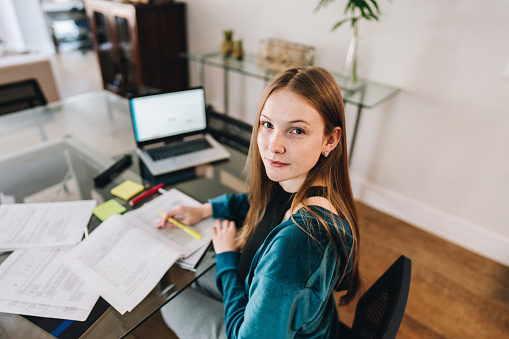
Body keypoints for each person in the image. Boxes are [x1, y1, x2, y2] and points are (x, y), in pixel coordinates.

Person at [157, 66, 360, 338]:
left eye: (297, 131)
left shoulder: (297, 246)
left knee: (171, 302)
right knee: (195, 273)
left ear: (330, 139)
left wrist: (227, 257)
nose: (273, 145)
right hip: (281, 307)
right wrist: (205, 210)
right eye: (267, 125)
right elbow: (258, 201)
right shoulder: (303, 181)